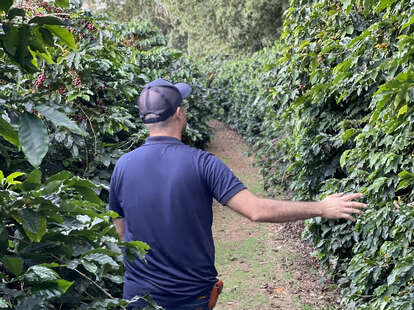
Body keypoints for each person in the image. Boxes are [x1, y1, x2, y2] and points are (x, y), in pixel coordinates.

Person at [109, 78, 366, 310]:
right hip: (189, 297)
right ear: (179, 113)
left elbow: (121, 231)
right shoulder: (202, 163)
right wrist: (321, 208)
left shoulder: (122, 166)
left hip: (138, 296)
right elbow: (257, 211)